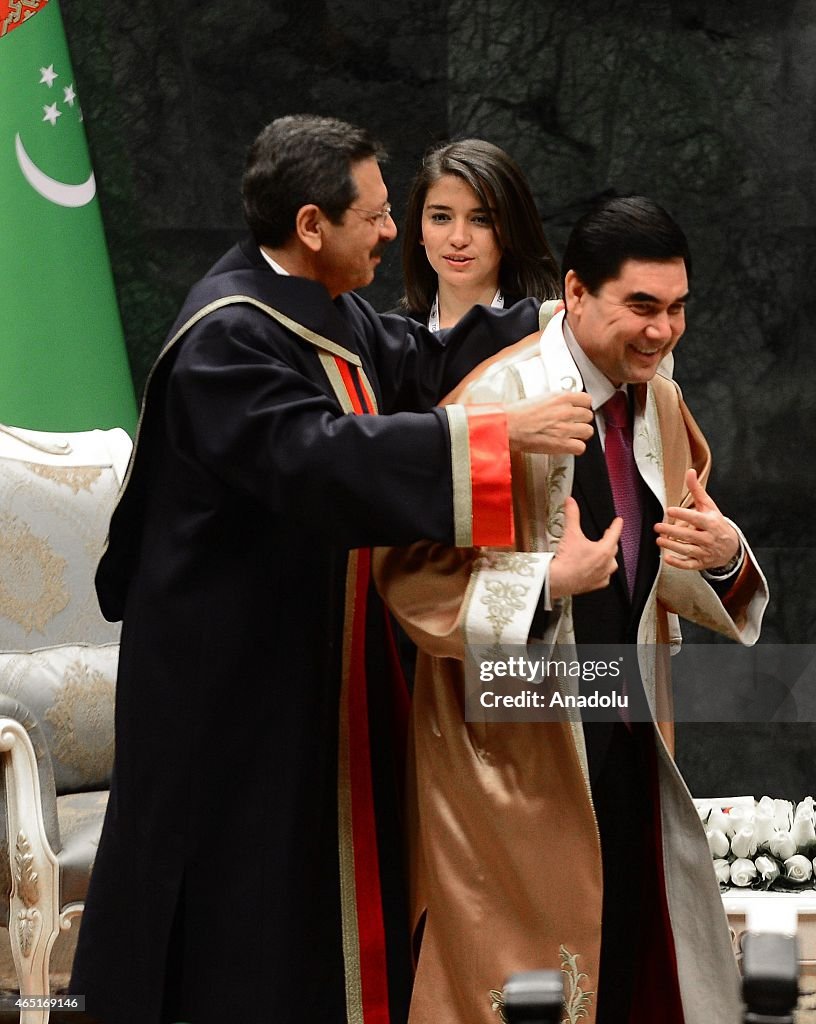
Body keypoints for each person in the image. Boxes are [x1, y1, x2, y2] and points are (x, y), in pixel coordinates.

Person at [66, 115, 594, 1024]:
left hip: (310, 661)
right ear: (312, 225)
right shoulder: (225, 337)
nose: (396, 236)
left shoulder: (329, 306)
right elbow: (314, 459)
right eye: (380, 216)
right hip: (225, 688)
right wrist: (495, 434)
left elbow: (426, 362)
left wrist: (562, 323)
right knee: (241, 903)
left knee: (309, 891)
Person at [375, 193, 769, 1024]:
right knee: (524, 980)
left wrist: (722, 553)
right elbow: (410, 582)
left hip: (626, 722)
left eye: (675, 311)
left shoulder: (656, 395)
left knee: (627, 956)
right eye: (640, 308)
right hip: (509, 757)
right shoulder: (498, 400)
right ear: (576, 292)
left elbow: (674, 543)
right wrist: (548, 582)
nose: (660, 333)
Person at [392, 138, 560, 329]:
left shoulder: (552, 329)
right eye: (441, 217)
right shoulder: (386, 339)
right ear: (419, 229)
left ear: (511, 229)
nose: (459, 239)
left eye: (481, 220)